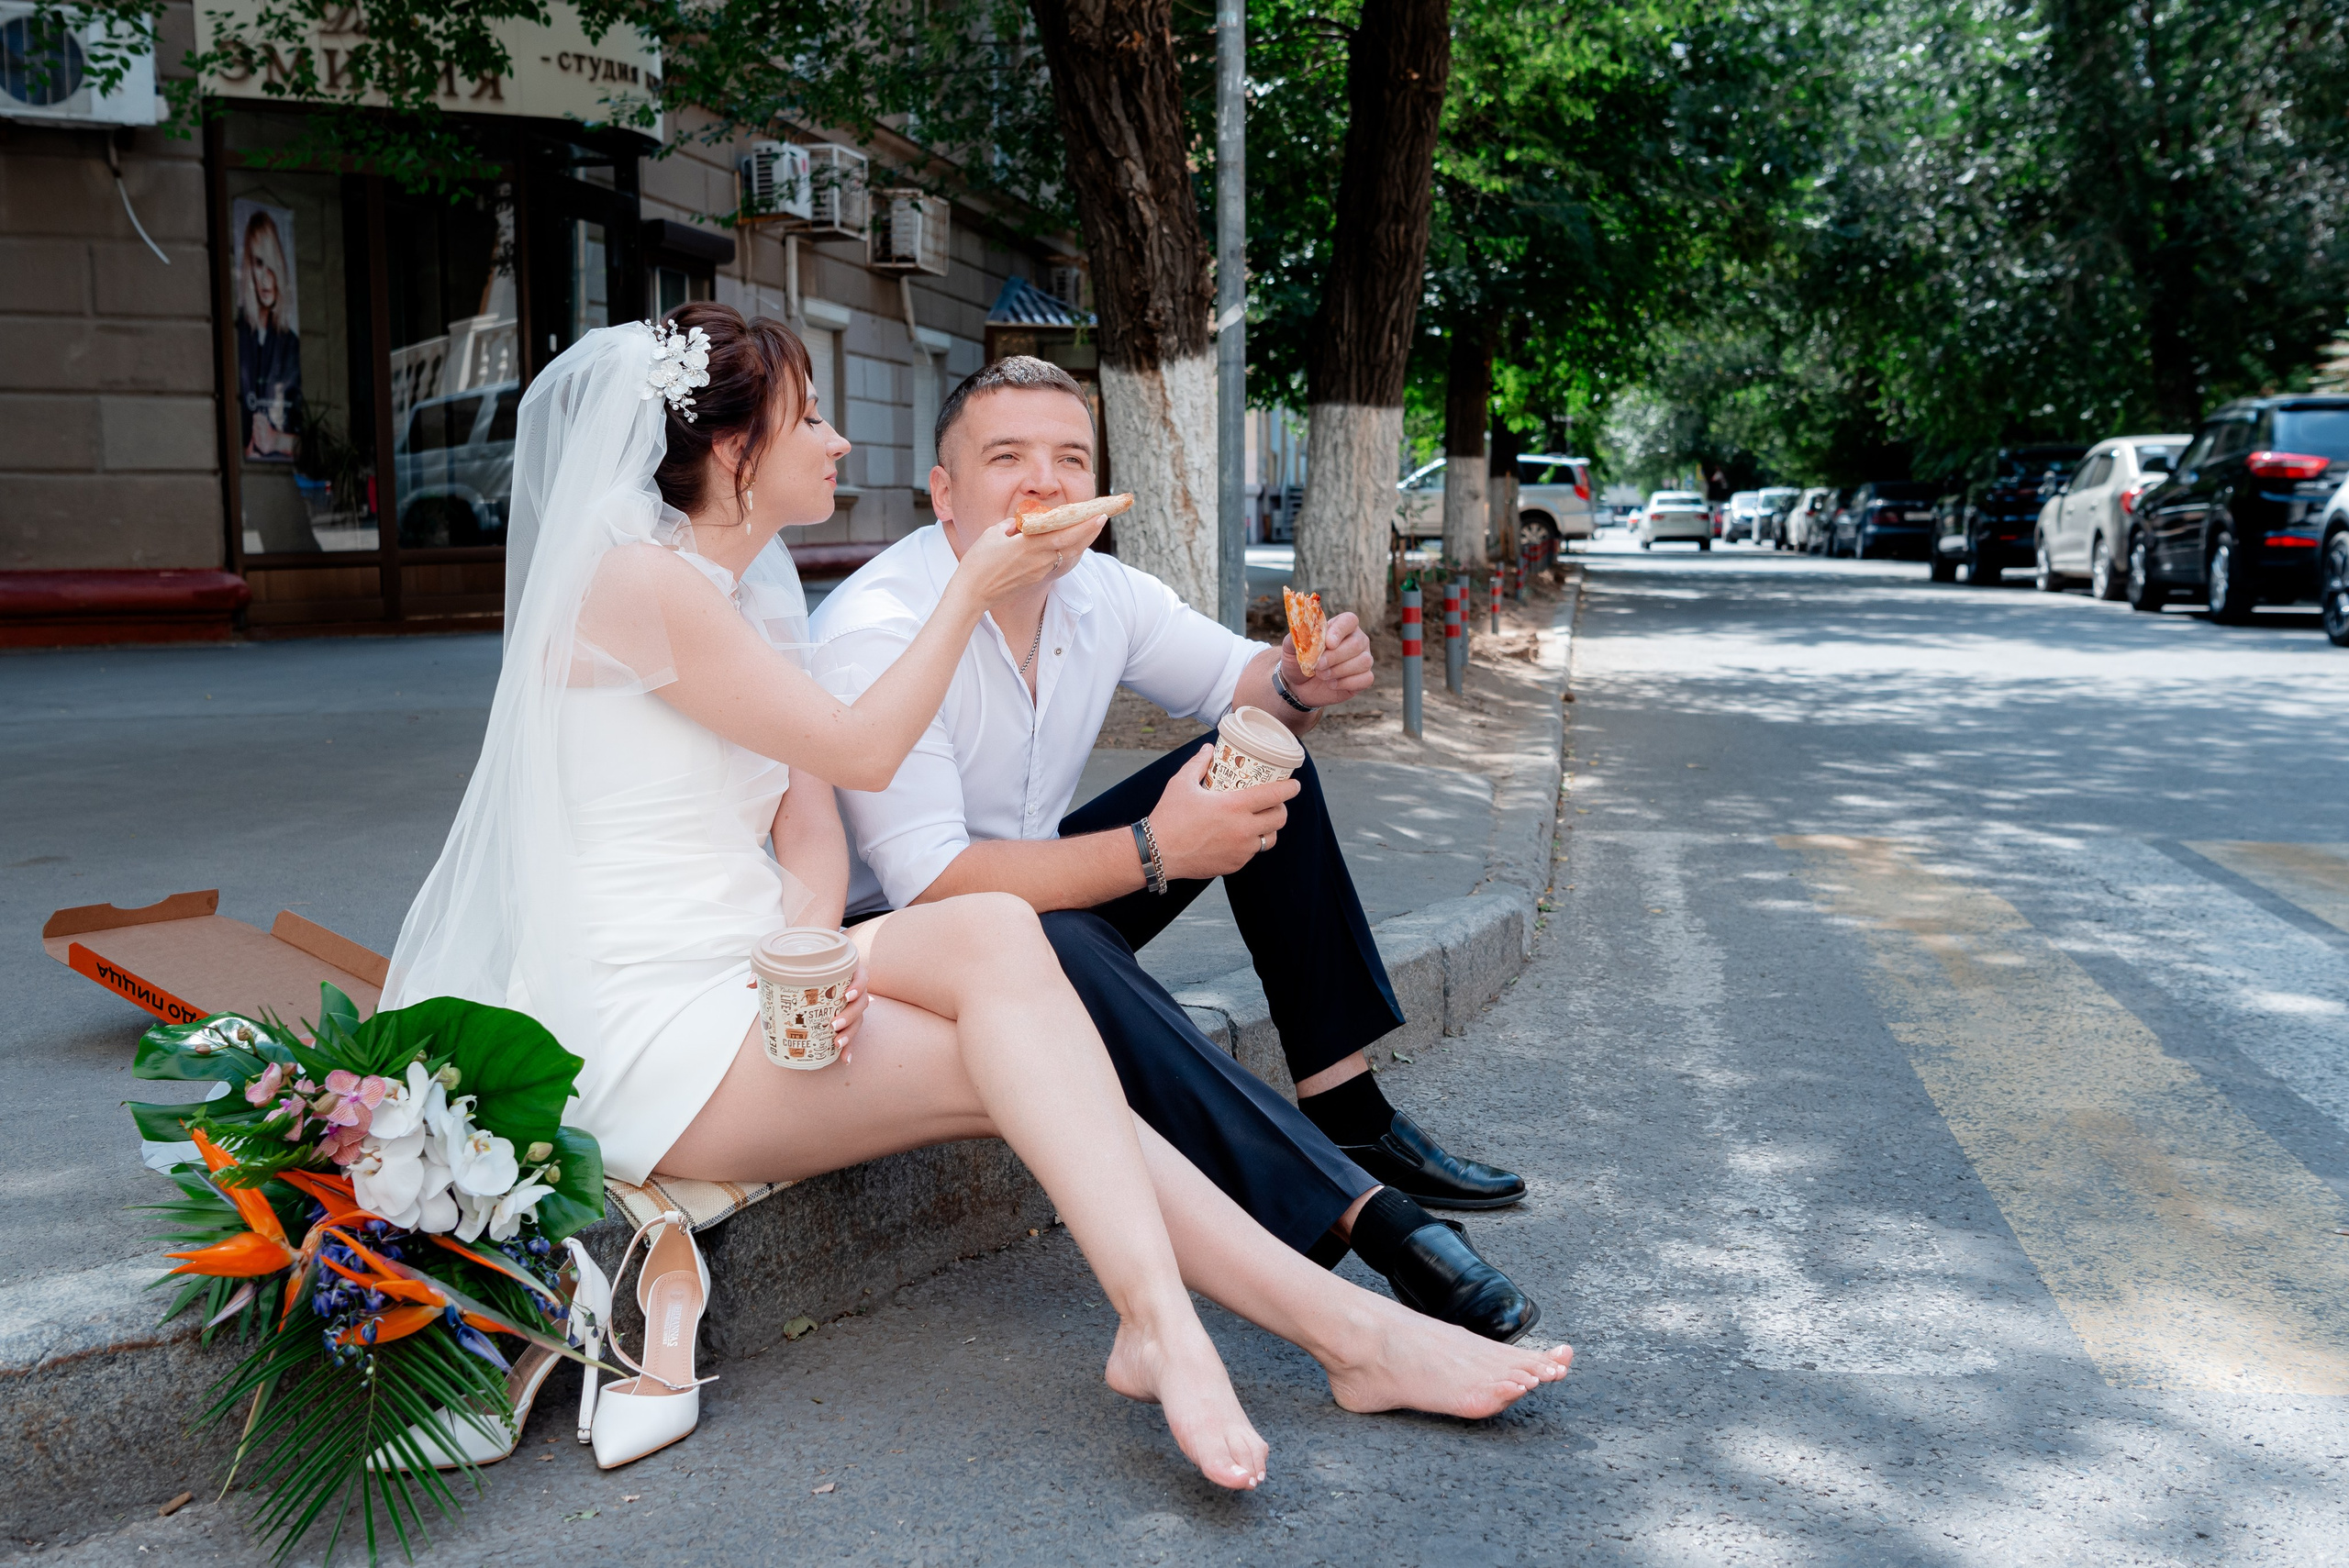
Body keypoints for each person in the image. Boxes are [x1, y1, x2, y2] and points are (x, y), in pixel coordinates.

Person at [384, 306, 1571, 1488]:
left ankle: (1238, 1322)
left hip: (749, 977)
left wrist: (804, 957)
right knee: (1031, 1042)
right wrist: (972, 589)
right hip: (642, 1023)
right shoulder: (637, 584)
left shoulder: (752, 589)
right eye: (811, 418)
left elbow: (810, 827)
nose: (841, 442)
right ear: (738, 453)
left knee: (1016, 971)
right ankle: (1315, 1331)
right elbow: (862, 753)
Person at [809, 356, 1539, 1343]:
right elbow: (933, 881)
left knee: (1261, 761)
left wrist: (1303, 678)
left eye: (1072, 459)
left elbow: (1245, 683)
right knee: (1058, 941)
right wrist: (1158, 847)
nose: (1046, 483)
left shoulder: (1100, 590)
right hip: (894, 943)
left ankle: (1349, 1107)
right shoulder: (880, 625)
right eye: (1008, 457)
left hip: (1017, 895)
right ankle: (1363, 1215)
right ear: (944, 492)